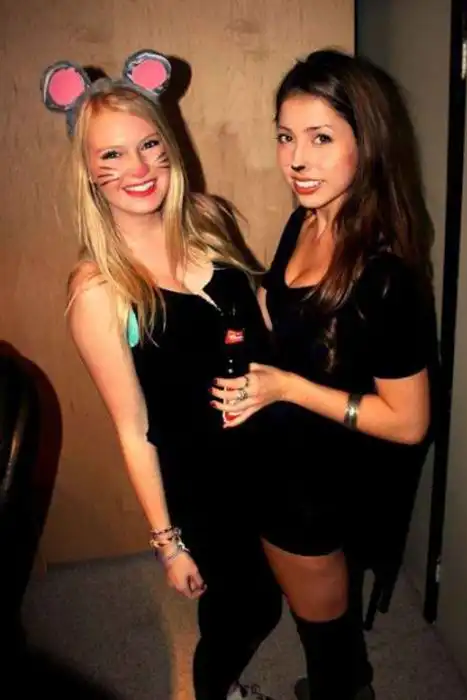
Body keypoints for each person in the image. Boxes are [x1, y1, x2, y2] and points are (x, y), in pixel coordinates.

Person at [40, 50, 282, 700]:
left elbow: (260, 316)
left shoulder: (208, 219)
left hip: (270, 448)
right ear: (88, 172)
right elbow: (132, 428)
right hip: (202, 482)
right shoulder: (99, 290)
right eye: (112, 155)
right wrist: (168, 545)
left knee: (276, 586)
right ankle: (218, 692)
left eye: (149, 144)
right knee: (245, 608)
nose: (139, 168)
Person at [211, 48, 436, 700]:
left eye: (320, 138)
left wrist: (286, 387)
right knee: (322, 623)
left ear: (367, 144)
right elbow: (277, 309)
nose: (296, 159)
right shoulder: (304, 220)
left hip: (321, 484)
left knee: (325, 635)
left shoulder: (385, 276)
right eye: (285, 137)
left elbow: (409, 422)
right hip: (284, 452)